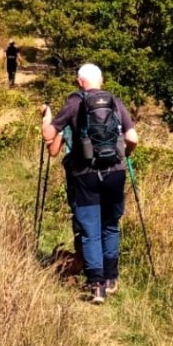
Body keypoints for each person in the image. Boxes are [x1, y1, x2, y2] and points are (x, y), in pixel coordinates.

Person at [40, 63, 138, 304]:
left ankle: (97, 286)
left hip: (85, 174)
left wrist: (48, 118)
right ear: (101, 81)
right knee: (111, 225)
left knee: (90, 230)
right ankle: (111, 278)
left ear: (79, 81)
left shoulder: (75, 102)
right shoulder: (115, 101)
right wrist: (123, 155)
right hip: (115, 172)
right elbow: (132, 137)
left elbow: (48, 136)